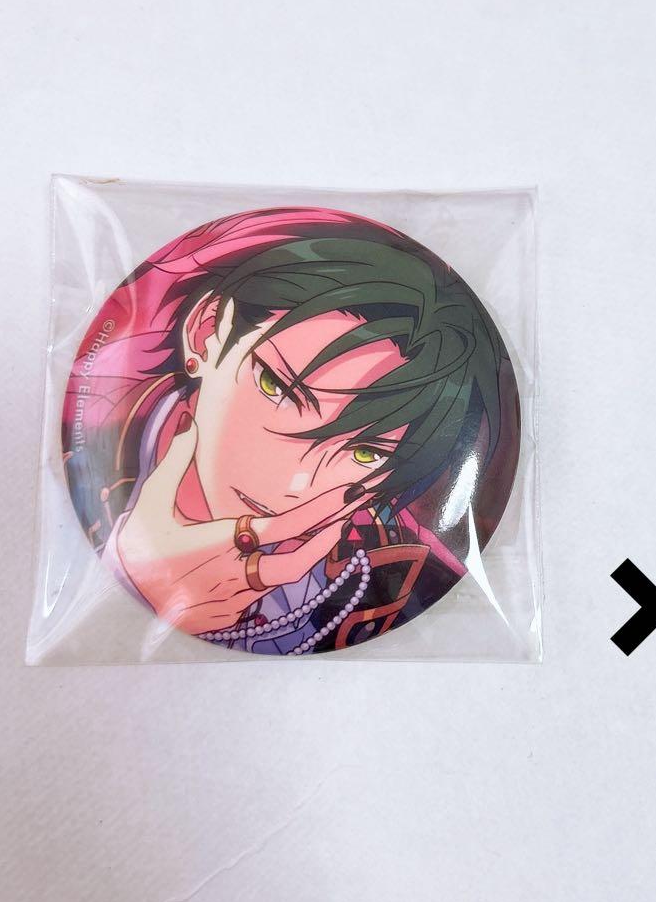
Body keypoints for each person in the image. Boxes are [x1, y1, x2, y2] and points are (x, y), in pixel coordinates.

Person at [62, 207, 519, 654]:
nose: (293, 483)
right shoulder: (96, 444)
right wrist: (142, 577)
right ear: (206, 334)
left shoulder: (406, 574)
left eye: (366, 452)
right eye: (275, 386)